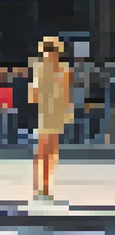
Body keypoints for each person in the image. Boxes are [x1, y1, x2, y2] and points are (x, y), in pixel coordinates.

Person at [29, 36, 73, 203]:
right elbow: (34, 94)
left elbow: (34, 94)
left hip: (52, 114)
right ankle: (42, 187)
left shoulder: (55, 69)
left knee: (49, 152)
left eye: (50, 50)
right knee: (44, 152)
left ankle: (44, 186)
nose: (49, 54)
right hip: (46, 114)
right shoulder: (45, 69)